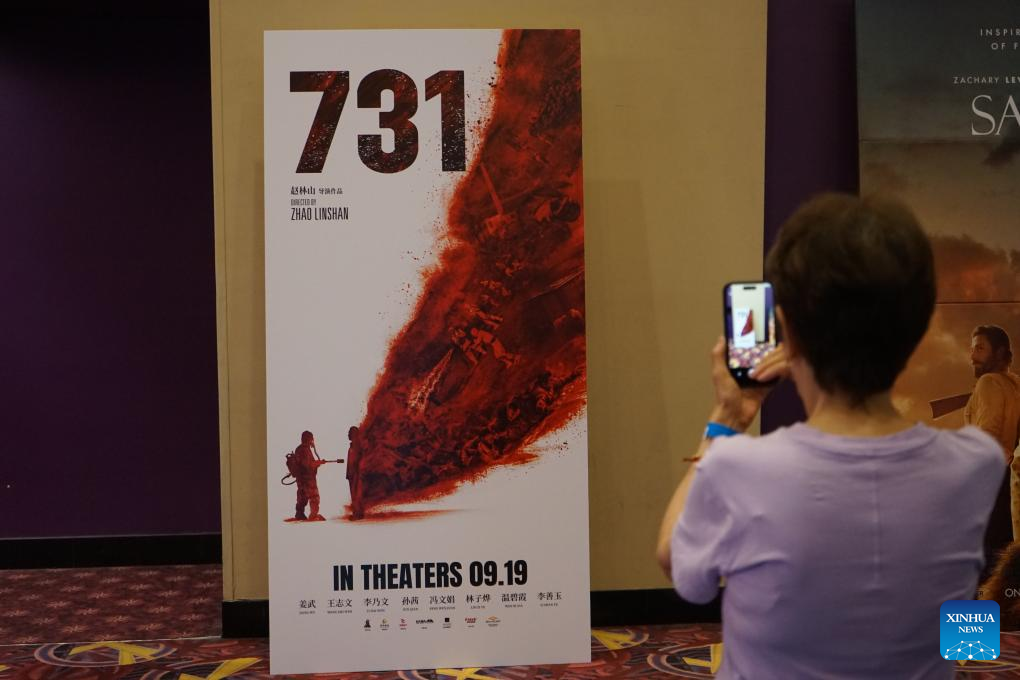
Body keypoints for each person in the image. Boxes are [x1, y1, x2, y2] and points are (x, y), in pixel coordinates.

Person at [656, 193, 1005, 679]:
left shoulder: (737, 467)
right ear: (921, 326)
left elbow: (680, 568)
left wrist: (727, 419)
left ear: (786, 328)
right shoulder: (977, 463)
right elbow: (958, 616)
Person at [965, 325, 1020, 543]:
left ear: (999, 353)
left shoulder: (988, 382)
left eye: (980, 349)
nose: (972, 357)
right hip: (1006, 482)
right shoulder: (1015, 384)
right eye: (972, 349)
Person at [292, 430, 328, 521]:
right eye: (311, 439)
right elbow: (307, 465)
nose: (313, 441)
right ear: (309, 439)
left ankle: (299, 514)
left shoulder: (299, 449)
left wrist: (318, 462)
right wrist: (318, 463)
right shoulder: (305, 450)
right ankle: (313, 515)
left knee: (302, 496)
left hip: (301, 479)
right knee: (314, 496)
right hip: (308, 479)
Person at [346, 426, 364, 520]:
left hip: (356, 473)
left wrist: (357, 473)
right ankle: (357, 512)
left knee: (357, 493)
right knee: (354, 493)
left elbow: (358, 460)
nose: (348, 434)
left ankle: (358, 513)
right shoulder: (352, 446)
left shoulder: (358, 445)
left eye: (350, 432)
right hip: (352, 474)